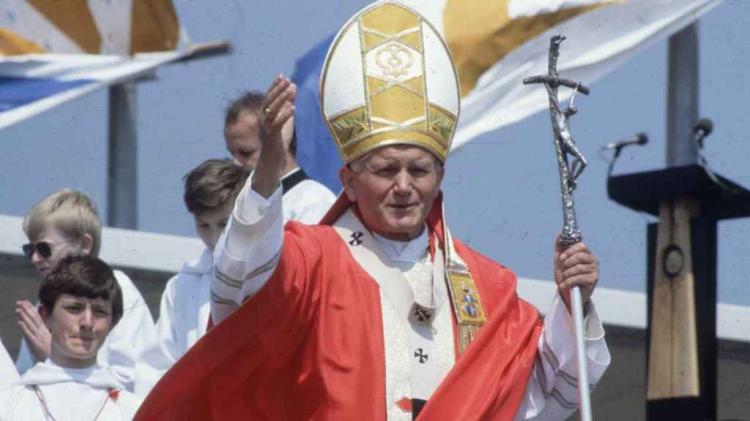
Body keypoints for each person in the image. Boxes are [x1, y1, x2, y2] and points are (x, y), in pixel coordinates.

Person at [136, 3, 610, 420]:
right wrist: (266, 178)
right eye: (386, 170)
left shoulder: (485, 288)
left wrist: (576, 302)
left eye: (419, 170)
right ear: (349, 180)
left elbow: (546, 391)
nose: (404, 187)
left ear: (440, 177)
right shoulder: (310, 260)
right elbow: (238, 288)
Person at [15, 189, 155, 392]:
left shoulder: (118, 288)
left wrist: (54, 357)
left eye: (44, 248)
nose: (36, 258)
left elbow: (135, 380)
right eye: (30, 250)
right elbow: (23, 381)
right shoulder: (42, 305)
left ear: (84, 244)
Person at [133, 159, 249, 397]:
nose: (214, 237)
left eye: (224, 224)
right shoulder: (183, 285)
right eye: (203, 225)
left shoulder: (269, 272)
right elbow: (157, 366)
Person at [1, 255, 142, 420]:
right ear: (46, 315)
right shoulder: (10, 404)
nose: (87, 322)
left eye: (100, 312)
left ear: (113, 323)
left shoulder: (132, 411)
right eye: (74, 308)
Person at [224, 91, 336, 224]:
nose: (235, 163)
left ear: (279, 142)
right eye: (232, 153)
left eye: (245, 152)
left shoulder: (313, 200)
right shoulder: (239, 206)